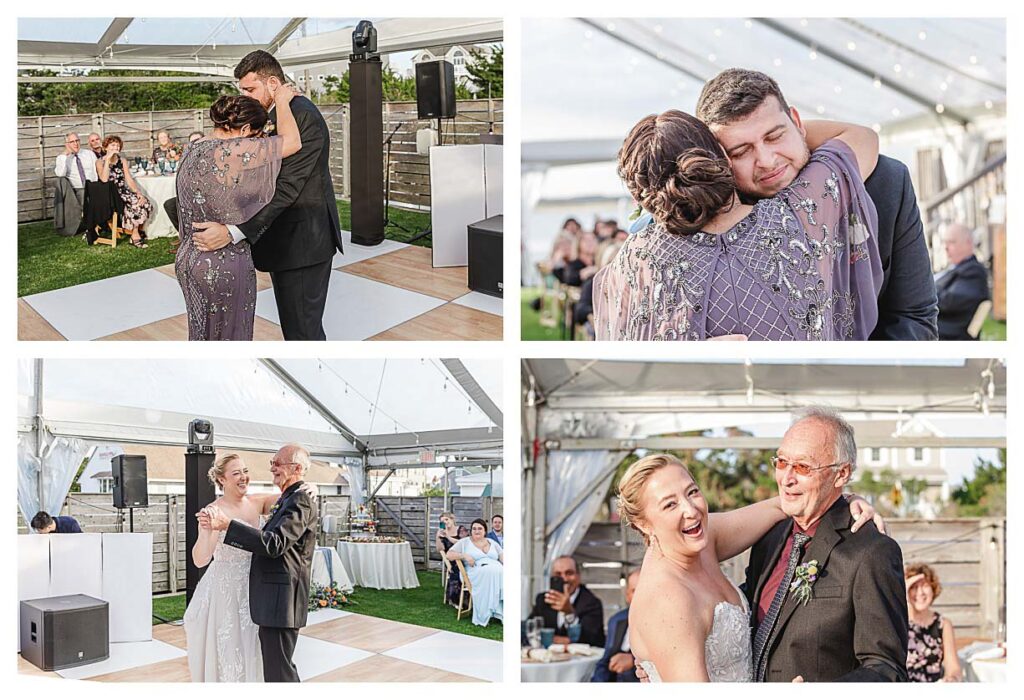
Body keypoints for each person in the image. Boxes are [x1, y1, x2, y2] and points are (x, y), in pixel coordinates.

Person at [596, 96, 884, 341]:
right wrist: (782, 130)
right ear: (721, 154)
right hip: (808, 403)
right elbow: (862, 137)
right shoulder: (800, 211)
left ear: (642, 196)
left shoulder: (635, 262)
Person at [696, 68, 937, 339]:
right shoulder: (704, 220)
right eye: (741, 151)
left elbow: (914, 315)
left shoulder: (886, 183)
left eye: (775, 136)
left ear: (798, 123)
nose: (766, 160)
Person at [624, 441, 889, 682]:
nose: (690, 510)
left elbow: (781, 506)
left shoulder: (702, 535)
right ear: (643, 524)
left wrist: (845, 500)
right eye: (669, 505)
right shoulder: (666, 601)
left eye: (692, 492)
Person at [192, 50, 344, 341]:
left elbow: (285, 187)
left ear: (273, 83)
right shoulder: (274, 115)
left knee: (302, 333)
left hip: (302, 241)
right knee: (296, 327)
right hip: (284, 240)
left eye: (250, 89)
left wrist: (234, 232)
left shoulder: (303, 116)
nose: (246, 97)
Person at [174, 87, 301, 340]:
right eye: (256, 135)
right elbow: (293, 142)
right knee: (231, 337)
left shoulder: (192, 147)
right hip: (222, 263)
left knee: (202, 334)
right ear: (244, 131)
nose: (258, 141)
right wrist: (282, 101)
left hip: (188, 258)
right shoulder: (230, 151)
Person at [183, 453, 312, 681]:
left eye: (245, 471)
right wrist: (207, 531)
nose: (244, 477)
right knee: (232, 646)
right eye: (236, 473)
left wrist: (310, 486)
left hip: (258, 588)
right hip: (228, 591)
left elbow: (291, 497)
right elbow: (200, 559)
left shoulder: (257, 502)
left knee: (260, 649)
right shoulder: (213, 510)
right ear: (222, 479)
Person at [528, 555, 605, 648]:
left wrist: (569, 613)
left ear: (578, 576)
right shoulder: (543, 600)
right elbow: (530, 629)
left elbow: (592, 639)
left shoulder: (591, 603)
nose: (564, 579)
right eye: (558, 575)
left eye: (569, 573)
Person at [905, 563, 962, 682]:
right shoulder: (897, 621)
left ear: (933, 589)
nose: (920, 593)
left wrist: (952, 679)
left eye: (925, 586)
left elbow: (953, 667)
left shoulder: (943, 624)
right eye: (914, 587)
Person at [935, 223, 989, 340]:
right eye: (945, 242)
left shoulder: (974, 271)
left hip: (949, 334)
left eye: (952, 242)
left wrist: (921, 291)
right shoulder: (953, 269)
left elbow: (949, 301)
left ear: (968, 243)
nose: (946, 247)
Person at [96, 135, 152, 248]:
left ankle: (135, 231)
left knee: (144, 202)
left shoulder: (122, 161)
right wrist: (107, 160)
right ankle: (135, 235)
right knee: (134, 205)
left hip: (123, 191)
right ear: (105, 147)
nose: (115, 147)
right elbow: (104, 180)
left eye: (117, 145)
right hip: (109, 194)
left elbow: (129, 179)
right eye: (112, 145)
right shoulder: (99, 162)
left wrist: (138, 193)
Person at [446, 518, 503, 627]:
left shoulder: (492, 542)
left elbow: (502, 557)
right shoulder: (465, 542)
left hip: (496, 571)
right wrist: (464, 555)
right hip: (474, 572)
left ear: (485, 531)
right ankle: (488, 612)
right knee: (491, 571)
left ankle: (500, 611)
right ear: (471, 530)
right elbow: (449, 555)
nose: (477, 531)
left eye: (480, 529)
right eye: (474, 529)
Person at [592, 568, 641, 682]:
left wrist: (632, 661)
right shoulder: (616, 620)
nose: (640, 595)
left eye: (644, 590)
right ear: (627, 595)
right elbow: (604, 662)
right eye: (634, 591)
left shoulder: (667, 623)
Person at [53, 132, 98, 236]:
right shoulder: (61, 158)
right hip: (76, 190)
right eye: (72, 142)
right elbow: (60, 174)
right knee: (84, 195)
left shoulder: (89, 154)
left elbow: (96, 171)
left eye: (77, 140)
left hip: (92, 186)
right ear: (67, 144)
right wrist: (65, 155)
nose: (75, 144)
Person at [436, 512, 463, 605]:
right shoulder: (442, 533)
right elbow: (440, 549)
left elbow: (463, 544)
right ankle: (456, 599)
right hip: (451, 560)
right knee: (456, 568)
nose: (446, 522)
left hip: (463, 556)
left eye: (447, 519)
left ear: (452, 519)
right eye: (443, 521)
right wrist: (438, 537)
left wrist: (448, 537)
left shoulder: (461, 529)